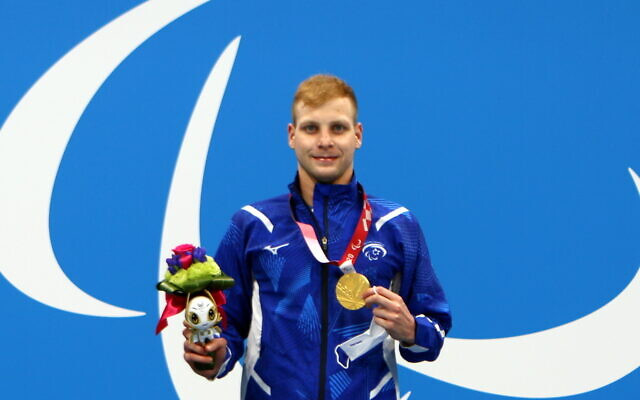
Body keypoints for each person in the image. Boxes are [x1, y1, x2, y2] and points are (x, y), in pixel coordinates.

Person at [183, 74, 452, 399]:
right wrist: (213, 356)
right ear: (292, 135)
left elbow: (433, 328)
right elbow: (226, 325)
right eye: (311, 128)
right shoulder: (253, 224)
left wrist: (412, 331)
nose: (325, 141)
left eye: (337, 128)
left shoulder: (396, 225)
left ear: (358, 135)